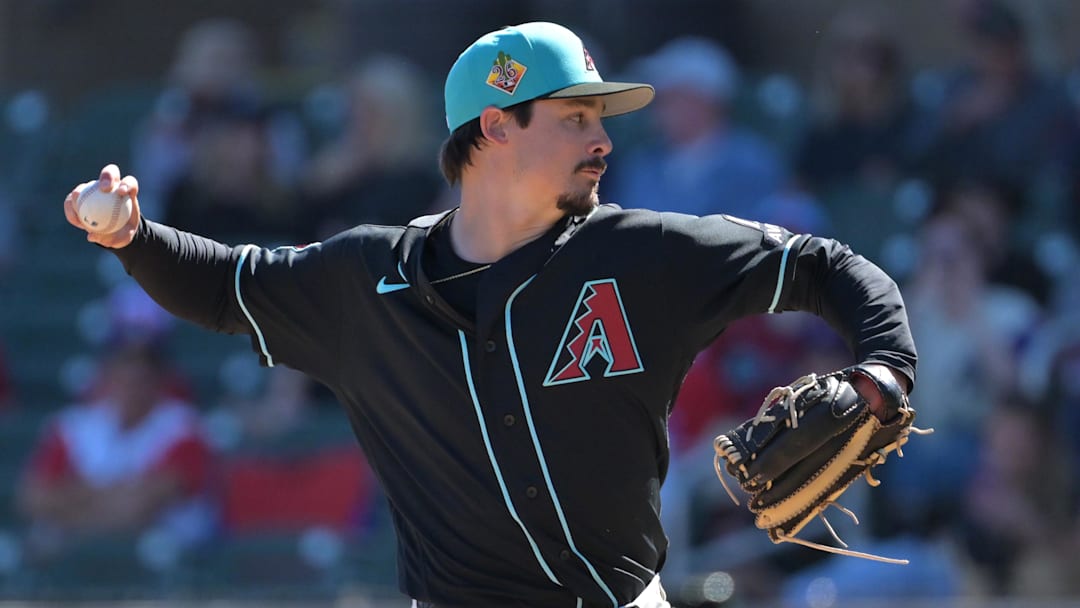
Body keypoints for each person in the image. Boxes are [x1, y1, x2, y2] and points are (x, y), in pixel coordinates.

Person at [64, 22, 917, 608]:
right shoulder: (366, 277)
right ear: (495, 127)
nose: (603, 138)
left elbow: (824, 265)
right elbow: (223, 288)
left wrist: (883, 369)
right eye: (576, 116)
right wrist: (132, 234)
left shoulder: (645, 252)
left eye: (601, 118)